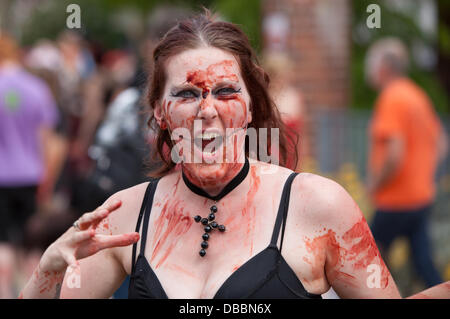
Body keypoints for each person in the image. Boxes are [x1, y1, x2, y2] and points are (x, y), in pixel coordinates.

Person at [19, 12, 450, 299]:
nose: (207, 111)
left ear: (250, 107)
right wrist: (46, 273)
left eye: (225, 91)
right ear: (160, 112)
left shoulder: (317, 206)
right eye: (186, 94)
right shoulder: (124, 216)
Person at [365, 38, 448, 291]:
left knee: (366, 255)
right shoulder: (416, 95)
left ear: (384, 69)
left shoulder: (392, 99)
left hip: (395, 199)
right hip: (420, 196)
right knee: (423, 262)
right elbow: (442, 142)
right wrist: (423, 174)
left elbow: (394, 153)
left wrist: (375, 183)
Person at [0, 33, 59, 298]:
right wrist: (46, 177)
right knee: (31, 243)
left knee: (2, 243)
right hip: (31, 176)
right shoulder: (36, 88)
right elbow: (46, 139)